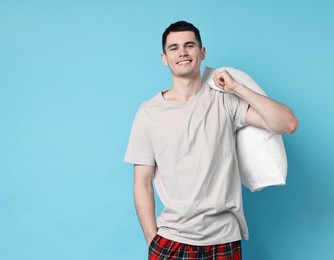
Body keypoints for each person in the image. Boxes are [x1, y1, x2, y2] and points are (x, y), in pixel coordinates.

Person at [124, 21, 298, 260]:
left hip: (223, 238)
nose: (182, 52)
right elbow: (141, 182)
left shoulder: (225, 101)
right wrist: (151, 240)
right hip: (172, 239)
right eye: (173, 48)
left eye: (189, 45)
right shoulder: (148, 113)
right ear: (164, 58)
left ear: (202, 52)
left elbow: (287, 124)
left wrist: (237, 88)